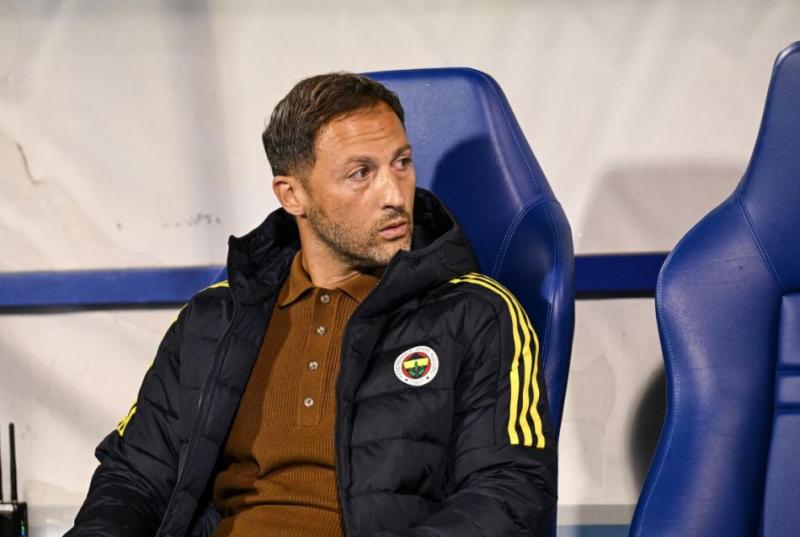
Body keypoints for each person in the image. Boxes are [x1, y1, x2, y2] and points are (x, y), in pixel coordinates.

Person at [66, 72, 556, 537]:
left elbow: (508, 491)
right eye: (360, 173)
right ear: (292, 195)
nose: (395, 194)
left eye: (402, 163)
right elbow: (133, 477)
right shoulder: (211, 320)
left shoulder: (477, 313)